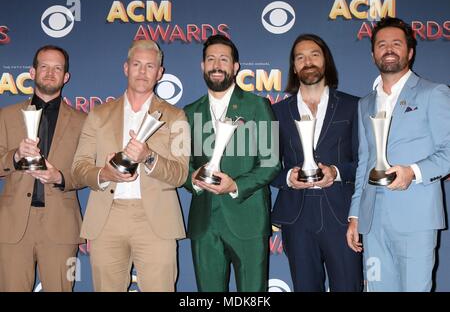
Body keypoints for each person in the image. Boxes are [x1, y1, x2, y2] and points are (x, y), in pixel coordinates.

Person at [71, 40, 190, 292]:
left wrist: (149, 157)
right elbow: (79, 168)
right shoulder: (98, 115)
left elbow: (180, 173)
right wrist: (104, 173)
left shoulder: (175, 116)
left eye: (150, 66)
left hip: (155, 219)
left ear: (160, 73)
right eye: (137, 64)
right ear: (126, 68)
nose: (142, 72)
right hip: (107, 216)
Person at [346, 17, 450, 291]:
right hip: (373, 221)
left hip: (415, 218)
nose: (388, 49)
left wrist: (412, 172)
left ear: (410, 51)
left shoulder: (433, 93)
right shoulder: (365, 103)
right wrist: (355, 216)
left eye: (396, 43)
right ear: (373, 54)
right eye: (381, 44)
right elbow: (364, 163)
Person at [183, 34, 280, 292]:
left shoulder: (257, 106)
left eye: (224, 59)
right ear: (202, 66)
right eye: (211, 59)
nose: (217, 65)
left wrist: (235, 186)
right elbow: (182, 166)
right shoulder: (189, 112)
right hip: (204, 225)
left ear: (235, 67)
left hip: (247, 219)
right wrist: (192, 179)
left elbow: (271, 163)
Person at [270, 34, 363, 292]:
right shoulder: (276, 112)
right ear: (294, 67)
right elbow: (267, 167)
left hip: (340, 214)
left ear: (326, 61)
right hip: (297, 217)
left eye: (314, 54)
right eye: (300, 57)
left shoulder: (352, 106)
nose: (307, 61)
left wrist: (336, 171)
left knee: (348, 286)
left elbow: (364, 162)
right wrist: (289, 177)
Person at [0, 45, 86, 291]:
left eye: (57, 68)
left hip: (61, 225)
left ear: (66, 76)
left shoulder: (83, 121)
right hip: (13, 225)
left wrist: (60, 177)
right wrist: (14, 156)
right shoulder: (6, 116)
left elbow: (88, 171)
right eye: (44, 66)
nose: (50, 73)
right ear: (32, 71)